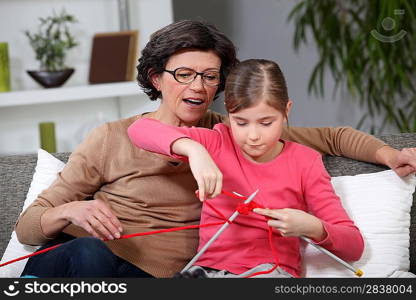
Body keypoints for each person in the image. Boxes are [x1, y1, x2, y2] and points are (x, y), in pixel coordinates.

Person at [15, 20, 416, 278]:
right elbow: (28, 228)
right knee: (89, 254)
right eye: (184, 74)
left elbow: (333, 137)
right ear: (156, 78)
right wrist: (71, 210)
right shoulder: (113, 137)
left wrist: (389, 155)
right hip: (91, 261)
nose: (198, 87)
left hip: (169, 276)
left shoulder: (237, 133)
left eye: (209, 76)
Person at [127, 59, 365, 278]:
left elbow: (353, 245)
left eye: (266, 123)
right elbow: (139, 130)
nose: (253, 136)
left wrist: (312, 227)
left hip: (269, 273)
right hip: (209, 272)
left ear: (286, 111)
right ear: (229, 114)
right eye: (240, 122)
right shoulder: (217, 142)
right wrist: (193, 149)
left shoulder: (305, 161)